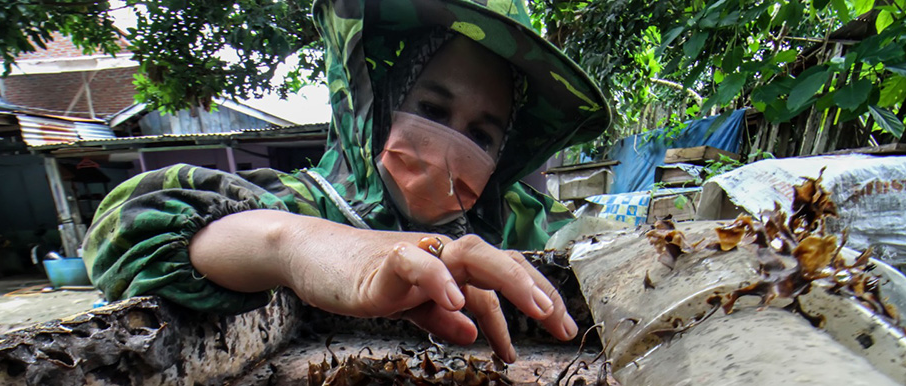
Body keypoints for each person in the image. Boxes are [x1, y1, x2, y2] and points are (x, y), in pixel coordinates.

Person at [83, 0, 609, 363]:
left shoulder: (525, 223)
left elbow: (611, 252)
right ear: (383, 107)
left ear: (503, 153)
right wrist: (300, 245)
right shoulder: (306, 203)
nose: (450, 143)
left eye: (481, 133)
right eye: (430, 109)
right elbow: (126, 231)